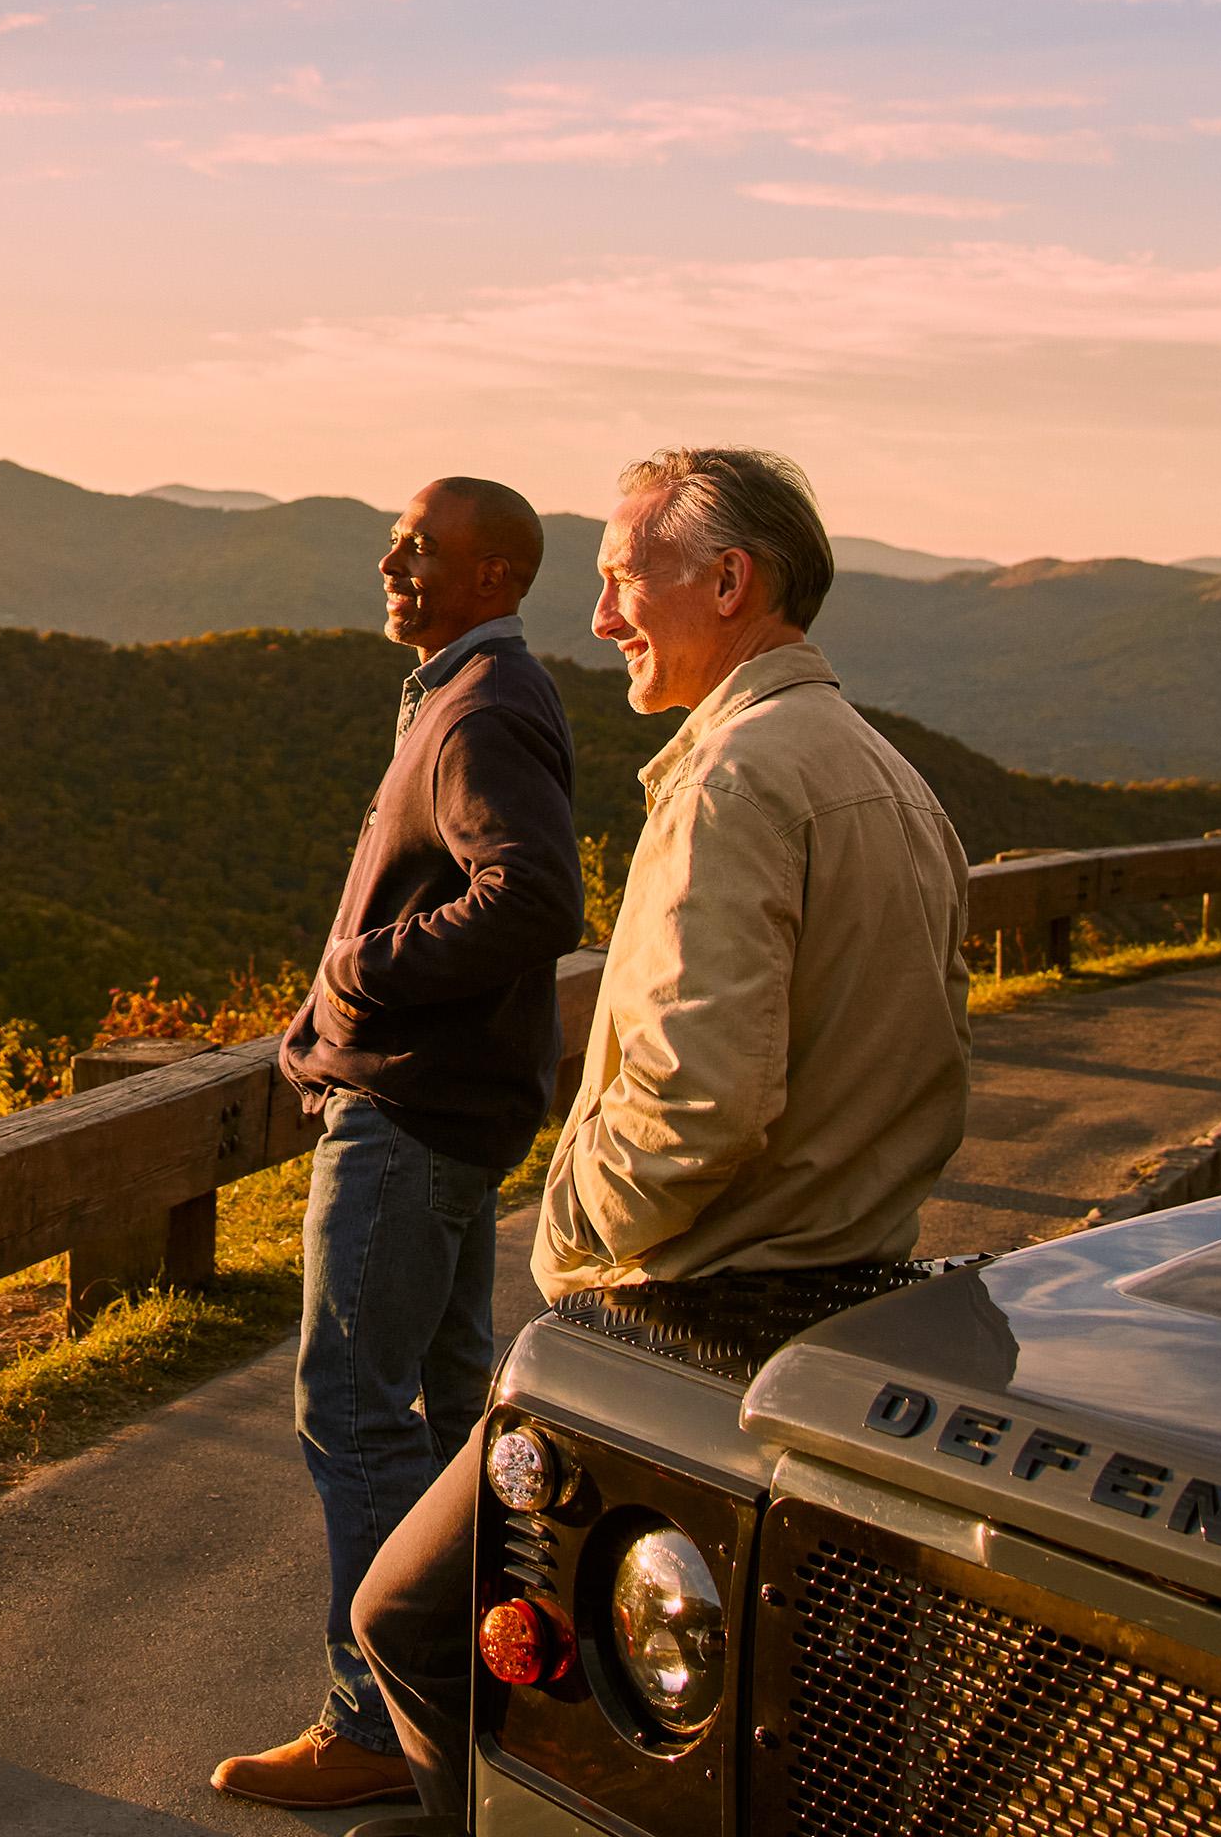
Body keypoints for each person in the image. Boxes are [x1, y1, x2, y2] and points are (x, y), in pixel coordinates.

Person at [343, 447, 973, 1836]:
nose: (605, 615)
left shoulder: (736, 781)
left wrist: (573, 1243)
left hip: (695, 1313)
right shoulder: (890, 779)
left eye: (625, 579)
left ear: (729, 580)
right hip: (856, 1304)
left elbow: (699, 1103)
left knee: (416, 1618)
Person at [212, 477, 584, 1814]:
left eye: (421, 548)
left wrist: (363, 974)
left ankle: (374, 1720)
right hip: (436, 1119)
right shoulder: (463, 694)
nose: (391, 560)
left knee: (357, 1417)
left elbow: (534, 895)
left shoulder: (482, 705)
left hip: (404, 1120)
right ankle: (466, 1693)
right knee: (439, 1419)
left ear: (494, 576)